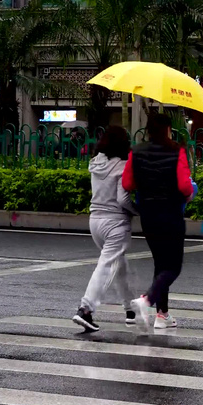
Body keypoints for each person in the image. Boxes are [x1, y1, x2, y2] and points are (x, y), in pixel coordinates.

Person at [122, 113, 194, 330]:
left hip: (149, 215)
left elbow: (127, 183)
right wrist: (191, 191)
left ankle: (162, 315)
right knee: (173, 267)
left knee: (161, 264)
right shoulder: (176, 150)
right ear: (168, 130)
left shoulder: (136, 151)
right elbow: (184, 186)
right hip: (170, 213)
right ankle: (147, 300)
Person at [73, 126, 136, 332]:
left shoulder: (95, 163)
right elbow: (123, 199)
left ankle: (131, 310)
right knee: (106, 266)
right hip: (116, 222)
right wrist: (136, 210)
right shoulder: (122, 166)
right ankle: (86, 309)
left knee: (119, 265)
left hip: (95, 222)